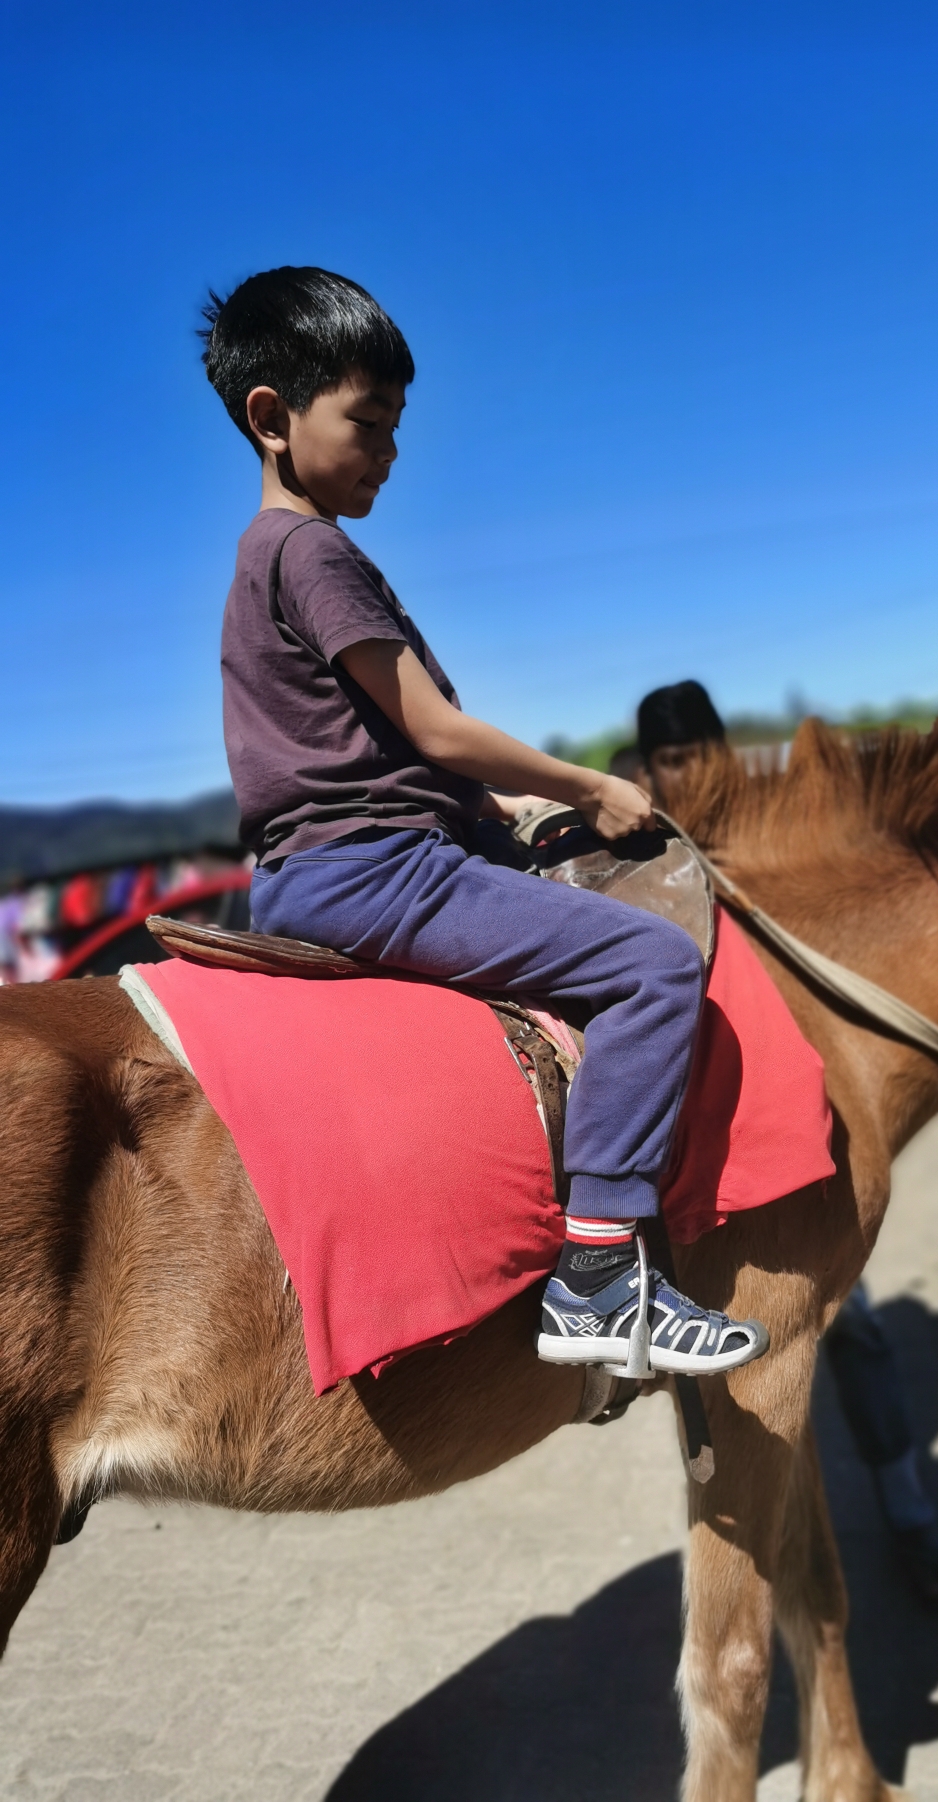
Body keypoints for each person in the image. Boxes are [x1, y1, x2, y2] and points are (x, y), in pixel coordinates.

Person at [203, 266, 768, 1379]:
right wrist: (586, 788)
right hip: (373, 872)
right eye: (367, 422)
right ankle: (602, 1274)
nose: (390, 452)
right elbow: (439, 730)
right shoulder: (311, 550)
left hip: (336, 859)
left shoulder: (265, 560)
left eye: (397, 427)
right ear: (272, 418)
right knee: (652, 965)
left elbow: (395, 747)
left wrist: (500, 805)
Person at [635, 680, 938, 1607]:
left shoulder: (760, 810)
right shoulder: (636, 828)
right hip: (692, 1119)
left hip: (784, 1103)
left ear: (715, 750)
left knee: (852, 1333)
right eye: (666, 762)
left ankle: (910, 1516)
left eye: (693, 755)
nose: (682, 774)